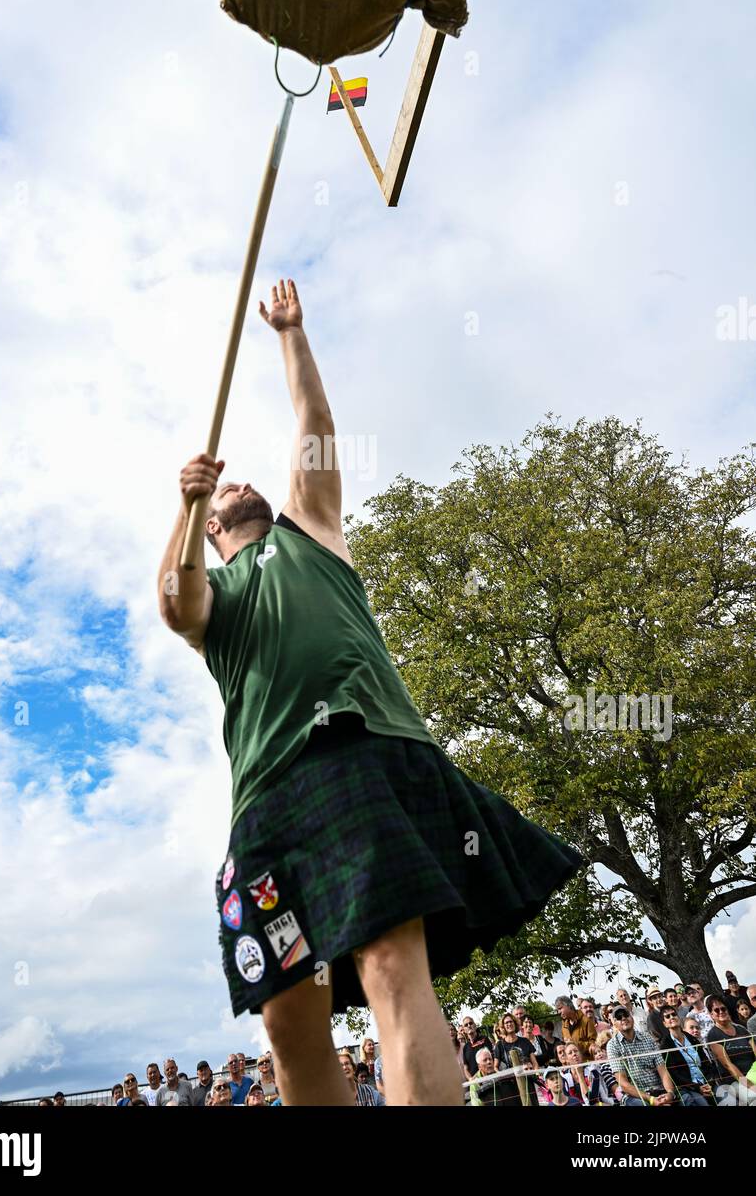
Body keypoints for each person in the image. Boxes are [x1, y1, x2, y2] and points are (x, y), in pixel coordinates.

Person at [158, 279, 582, 1107]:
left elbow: (314, 435)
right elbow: (175, 601)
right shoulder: (213, 593)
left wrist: (292, 335)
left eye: (244, 485)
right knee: (286, 1020)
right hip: (266, 799)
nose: (241, 486)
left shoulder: (311, 529)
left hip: (359, 751)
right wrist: (183, 509)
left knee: (390, 960)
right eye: (224, 496)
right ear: (214, 526)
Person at [606, 1006, 676, 1106]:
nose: (623, 1018)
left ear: (632, 1018)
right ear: (614, 1023)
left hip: (658, 1090)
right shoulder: (613, 1045)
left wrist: (670, 1092)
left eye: (626, 1015)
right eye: (619, 1017)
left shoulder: (648, 1038)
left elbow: (662, 1070)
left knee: (684, 1099)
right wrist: (650, 1099)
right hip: (634, 1096)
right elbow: (623, 1083)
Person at [705, 995, 756, 1105]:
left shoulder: (742, 1029)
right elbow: (729, 1066)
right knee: (754, 1097)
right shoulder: (713, 1035)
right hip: (735, 1081)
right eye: (716, 1010)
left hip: (754, 1073)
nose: (721, 1012)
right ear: (711, 1014)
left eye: (723, 1008)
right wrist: (750, 1085)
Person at [661, 1005, 713, 1106]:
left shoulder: (692, 1038)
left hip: (706, 1082)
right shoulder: (665, 1045)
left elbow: (706, 1062)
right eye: (667, 1016)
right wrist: (697, 1087)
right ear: (664, 1023)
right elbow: (675, 1074)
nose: (672, 1017)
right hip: (688, 1087)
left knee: (725, 1094)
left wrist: (709, 1082)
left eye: (673, 1014)